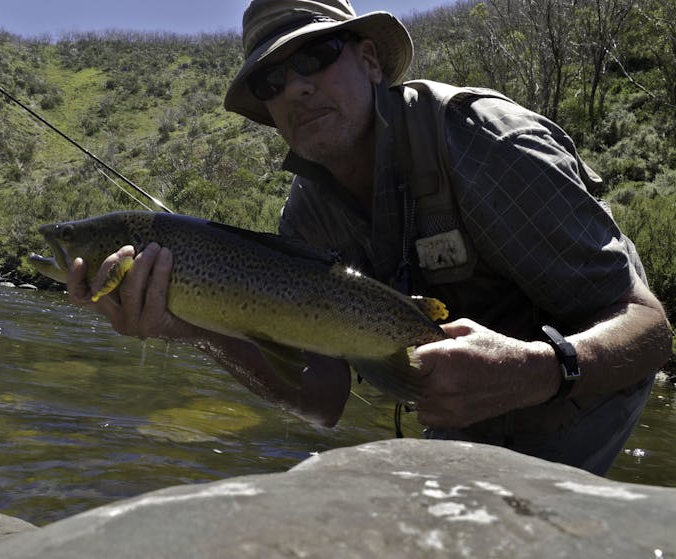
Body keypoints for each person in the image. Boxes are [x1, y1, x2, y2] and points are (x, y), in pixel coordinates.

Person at [67, 0, 673, 475]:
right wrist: (190, 328)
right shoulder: (306, 219)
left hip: (584, 371)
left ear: (370, 61)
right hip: (460, 384)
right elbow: (323, 399)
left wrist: (540, 370)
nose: (294, 88)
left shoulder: (485, 143)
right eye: (270, 81)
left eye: (314, 57)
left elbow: (648, 330)